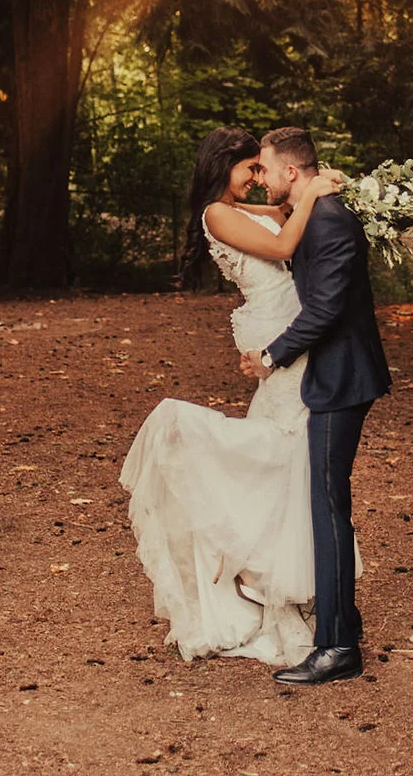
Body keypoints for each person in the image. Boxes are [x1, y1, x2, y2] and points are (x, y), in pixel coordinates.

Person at [119, 127, 346, 666]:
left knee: (290, 451)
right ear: (225, 165)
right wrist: (313, 191)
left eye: (261, 168)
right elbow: (284, 245)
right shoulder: (217, 214)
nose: (257, 178)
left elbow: (285, 214)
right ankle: (260, 576)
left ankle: (279, 579)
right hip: (280, 333)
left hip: (288, 330)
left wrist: (317, 184)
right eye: (250, 168)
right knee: (282, 450)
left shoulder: (241, 210)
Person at [240, 125, 390, 685]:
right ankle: (341, 621)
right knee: (325, 504)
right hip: (337, 374)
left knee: (327, 508)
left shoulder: (327, 219)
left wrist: (270, 356)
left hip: (341, 378)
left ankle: (338, 647)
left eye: (265, 168)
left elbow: (325, 309)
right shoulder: (314, 211)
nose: (262, 178)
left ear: (291, 171)